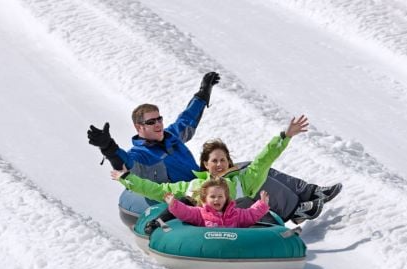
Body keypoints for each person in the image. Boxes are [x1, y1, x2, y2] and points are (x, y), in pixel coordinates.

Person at [110, 116, 324, 223]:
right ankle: (156, 226)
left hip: (243, 226)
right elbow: (156, 190)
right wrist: (126, 178)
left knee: (250, 200)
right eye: (214, 161)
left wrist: (284, 136)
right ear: (206, 165)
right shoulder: (194, 185)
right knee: (180, 201)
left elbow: (264, 159)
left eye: (223, 160)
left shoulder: (243, 180)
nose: (219, 164)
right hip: (208, 230)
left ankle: (300, 205)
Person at [87, 72, 221, 183]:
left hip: (200, 189)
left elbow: (187, 118)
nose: (157, 124)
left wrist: (203, 93)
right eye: (151, 122)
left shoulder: (172, 136)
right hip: (175, 203)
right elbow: (125, 163)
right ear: (139, 127)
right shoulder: (140, 154)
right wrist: (108, 147)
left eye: (159, 119)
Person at [163, 180, 270, 228]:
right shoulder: (200, 213)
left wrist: (262, 204)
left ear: (226, 198)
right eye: (212, 197)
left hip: (232, 247)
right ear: (205, 199)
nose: (216, 200)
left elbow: (250, 214)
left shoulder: (235, 213)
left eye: (220, 197)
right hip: (210, 249)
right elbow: (186, 212)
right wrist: (174, 204)